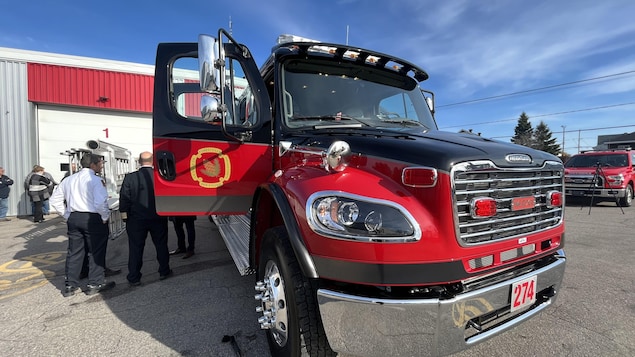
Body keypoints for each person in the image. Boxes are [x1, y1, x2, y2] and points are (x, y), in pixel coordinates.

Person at [49, 153, 116, 297]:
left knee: (74, 251)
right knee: (96, 251)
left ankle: (70, 285)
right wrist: (105, 216)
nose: (101, 165)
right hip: (92, 218)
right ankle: (95, 283)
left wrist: (67, 215)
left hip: (74, 217)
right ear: (92, 165)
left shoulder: (68, 179)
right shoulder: (95, 180)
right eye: (100, 163)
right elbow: (99, 203)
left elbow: (55, 200)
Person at [120, 151, 172, 286]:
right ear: (153, 161)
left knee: (136, 248)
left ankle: (134, 277)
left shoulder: (130, 178)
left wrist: (125, 217)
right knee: (161, 244)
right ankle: (164, 271)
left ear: (139, 162)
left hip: (136, 219)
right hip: (158, 217)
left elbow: (124, 199)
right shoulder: (160, 176)